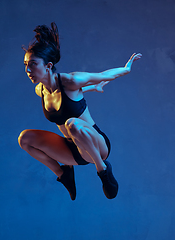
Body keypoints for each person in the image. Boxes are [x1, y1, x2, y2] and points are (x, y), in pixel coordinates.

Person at [18, 22, 142, 200]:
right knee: (25, 139)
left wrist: (126, 69)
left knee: (72, 124)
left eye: (33, 64)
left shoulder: (71, 80)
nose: (28, 70)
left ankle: (103, 170)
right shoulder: (40, 90)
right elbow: (68, 95)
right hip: (72, 151)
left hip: (96, 146)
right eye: (25, 65)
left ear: (48, 65)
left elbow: (104, 75)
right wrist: (92, 89)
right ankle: (63, 173)